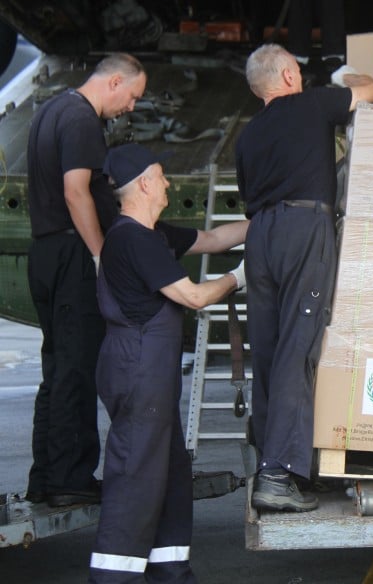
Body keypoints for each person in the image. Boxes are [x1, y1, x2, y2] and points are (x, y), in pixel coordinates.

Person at [88, 143, 248, 583]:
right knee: (136, 474)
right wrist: (237, 277)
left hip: (150, 375)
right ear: (143, 184)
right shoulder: (133, 240)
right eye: (161, 176)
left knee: (171, 473)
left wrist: (270, 222)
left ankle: (169, 570)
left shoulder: (154, 234)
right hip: (137, 370)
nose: (168, 184)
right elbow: (194, 296)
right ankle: (113, 578)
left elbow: (213, 239)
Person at [236, 43, 373, 511]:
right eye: (296, 72)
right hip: (303, 228)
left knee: (269, 349)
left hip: (261, 236)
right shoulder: (312, 104)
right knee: (297, 349)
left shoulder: (248, 135)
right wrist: (344, 75)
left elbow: (249, 199)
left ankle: (273, 461)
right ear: (286, 76)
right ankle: (277, 475)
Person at [26, 52, 146, 507]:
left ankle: (47, 476)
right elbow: (76, 192)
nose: (131, 107)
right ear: (114, 82)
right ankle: (70, 480)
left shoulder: (51, 110)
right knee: (78, 367)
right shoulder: (81, 120)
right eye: (132, 96)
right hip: (72, 254)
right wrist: (99, 255)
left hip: (46, 252)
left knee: (57, 368)